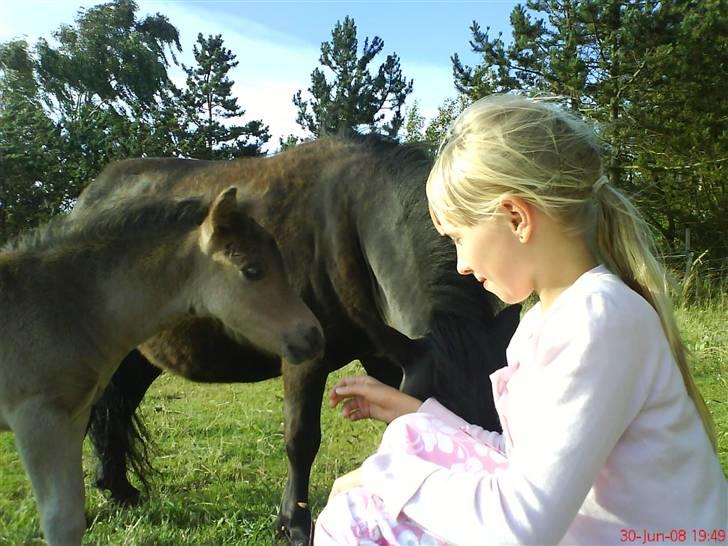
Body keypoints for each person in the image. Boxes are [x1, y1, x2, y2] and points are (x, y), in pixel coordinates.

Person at [313, 94, 727, 546]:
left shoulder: (600, 318)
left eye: (458, 238)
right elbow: (521, 460)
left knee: (356, 519)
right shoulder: (542, 323)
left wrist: (386, 477)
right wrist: (412, 412)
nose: (461, 266)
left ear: (515, 217)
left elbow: (518, 528)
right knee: (408, 437)